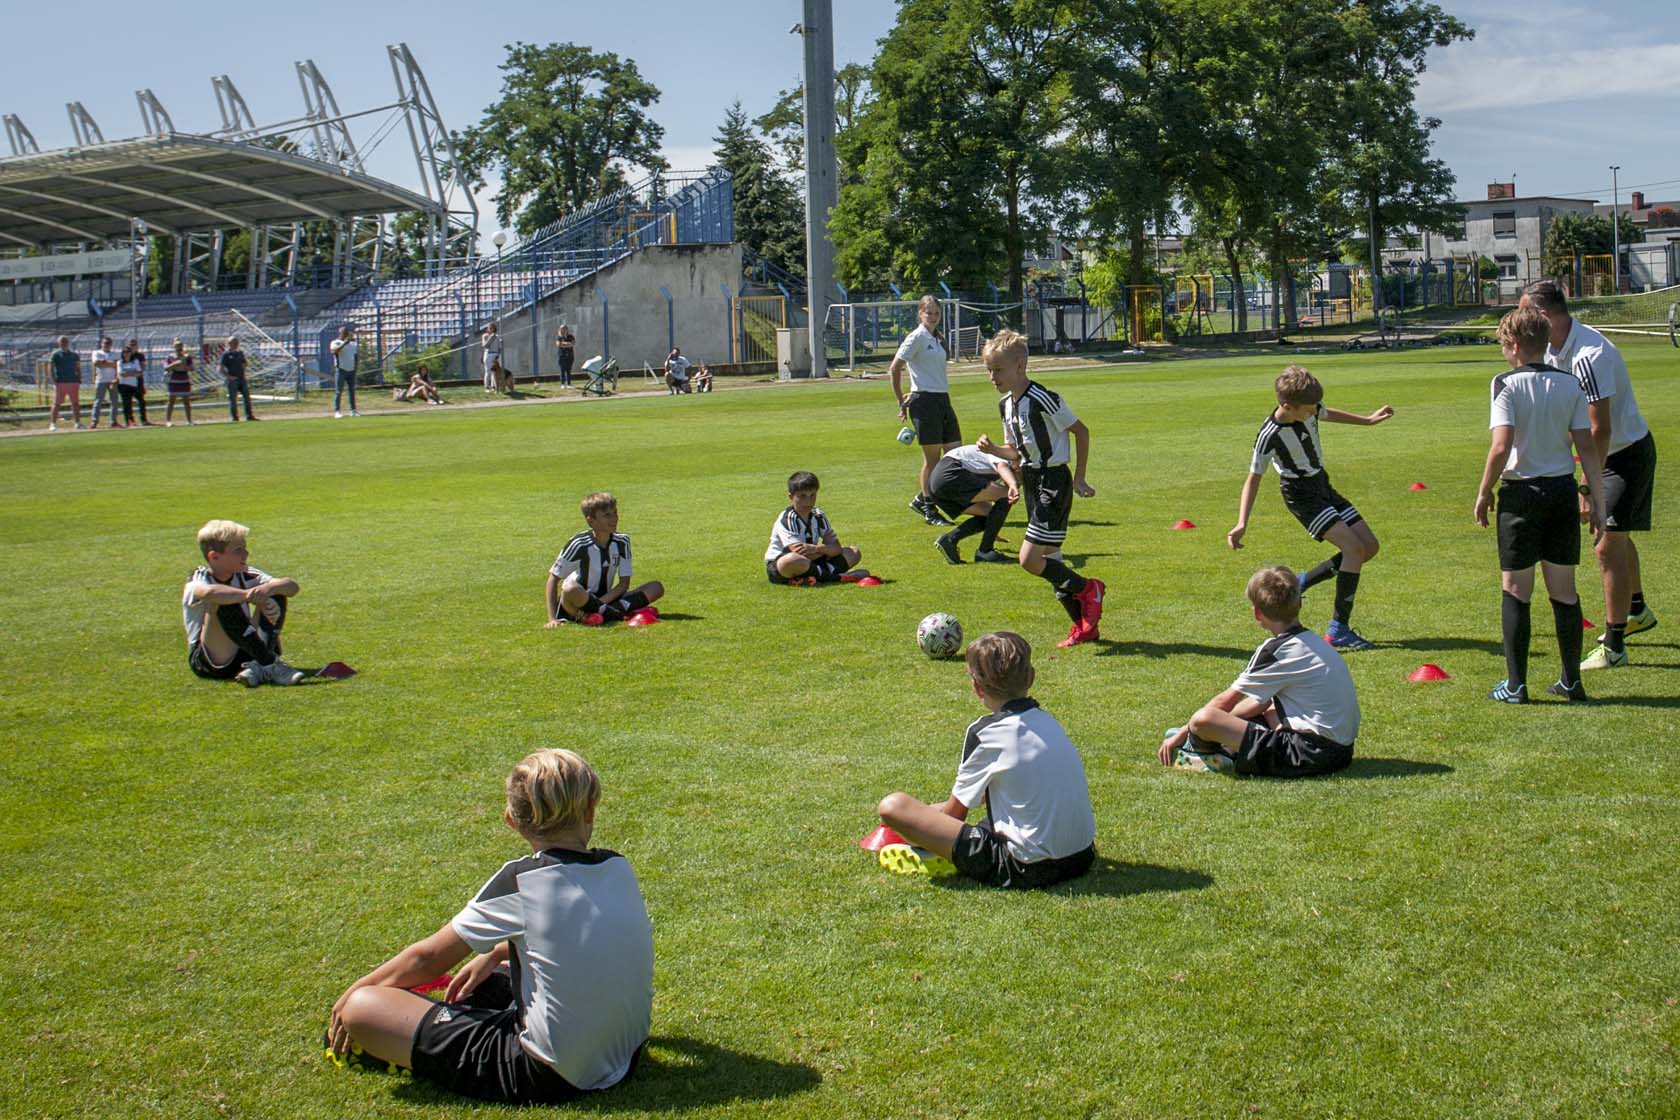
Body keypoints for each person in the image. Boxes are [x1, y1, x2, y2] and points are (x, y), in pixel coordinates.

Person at [326, 749, 653, 1105]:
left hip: (547, 1073)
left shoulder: (523, 880)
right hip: (624, 1053)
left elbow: (427, 959)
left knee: (364, 1007)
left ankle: (399, 1043)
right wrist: (496, 953)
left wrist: (349, 997)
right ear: (590, 809)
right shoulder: (617, 866)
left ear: (512, 820)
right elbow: (581, 939)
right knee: (494, 973)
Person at [875, 630, 1096, 888]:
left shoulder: (986, 733)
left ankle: (931, 852)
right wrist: (927, 814)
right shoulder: (1048, 721)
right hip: (1082, 857)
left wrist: (913, 827)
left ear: (977, 688)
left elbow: (954, 816)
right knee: (971, 820)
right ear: (1031, 678)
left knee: (892, 806)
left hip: (1025, 867)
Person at [1519, 279, 1659, 671]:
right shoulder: (1553, 348)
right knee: (1617, 535)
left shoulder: (1589, 355)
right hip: (1609, 452)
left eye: (1524, 312)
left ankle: (1614, 647)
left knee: (1605, 545)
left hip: (1624, 455)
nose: (1519, 319)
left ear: (1543, 315)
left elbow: (1600, 429)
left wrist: (1586, 486)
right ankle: (1636, 610)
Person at [1475, 305, 1605, 704]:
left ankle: (1516, 685)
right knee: (1564, 591)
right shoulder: (1570, 383)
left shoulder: (1504, 384)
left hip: (1522, 495)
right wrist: (1597, 499)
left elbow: (1501, 446)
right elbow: (1587, 447)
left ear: (1514, 346)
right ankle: (1571, 681)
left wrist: (1484, 491)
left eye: (1503, 346)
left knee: (1516, 589)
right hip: (1562, 492)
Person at [1227, 366, 1392, 651]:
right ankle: (1338, 629)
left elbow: (1328, 413)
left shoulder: (1309, 408)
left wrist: (1367, 421)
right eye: (1308, 411)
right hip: (1301, 495)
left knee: (1369, 547)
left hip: (1322, 484)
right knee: (1354, 549)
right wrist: (1242, 522)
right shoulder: (1270, 435)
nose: (1314, 414)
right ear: (1287, 406)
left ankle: (1302, 582)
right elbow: (1253, 479)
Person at [1157, 565, 1360, 777]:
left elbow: (1225, 702)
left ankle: (1204, 752)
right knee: (1267, 707)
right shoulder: (1314, 643)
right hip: (1341, 752)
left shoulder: (1277, 651)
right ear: (1299, 603)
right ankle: (1222, 746)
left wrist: (1187, 731)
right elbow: (1259, 703)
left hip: (1307, 754)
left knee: (1203, 719)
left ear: (1257, 613)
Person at [974, 328, 1106, 648]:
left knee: (1029, 559)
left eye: (998, 370)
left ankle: (1089, 588)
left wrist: (1079, 478)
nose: (992, 377)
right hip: (1033, 482)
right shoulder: (1006, 405)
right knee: (1051, 558)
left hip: (1054, 481)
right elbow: (1015, 451)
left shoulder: (1043, 398)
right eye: (989, 370)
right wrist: (994, 451)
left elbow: (1081, 431)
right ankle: (1083, 626)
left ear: (1020, 365)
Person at [181, 519, 303, 687]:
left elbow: (292, 586)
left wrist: (266, 591)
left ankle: (258, 666)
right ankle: (269, 663)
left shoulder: (244, 573)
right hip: (212, 660)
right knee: (221, 599)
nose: (246, 554)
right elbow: (209, 593)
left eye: (245, 548)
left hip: (246, 649)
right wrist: (248, 595)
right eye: (238, 550)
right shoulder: (199, 577)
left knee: (276, 591)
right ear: (214, 556)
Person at [891, 294, 962, 526]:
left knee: (954, 454)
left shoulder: (937, 338)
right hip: (924, 402)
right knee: (932, 460)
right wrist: (901, 399)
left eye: (936, 313)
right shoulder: (917, 337)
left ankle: (922, 499)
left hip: (942, 399)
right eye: (928, 312)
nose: (932, 316)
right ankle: (930, 510)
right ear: (920, 313)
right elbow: (895, 368)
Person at [545, 492, 665, 627]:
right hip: (579, 600)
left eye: (615, 513)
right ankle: (603, 613)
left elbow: (624, 584)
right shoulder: (579, 544)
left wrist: (600, 604)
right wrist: (552, 619)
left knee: (656, 587)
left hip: (608, 599)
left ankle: (598, 615)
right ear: (591, 521)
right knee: (570, 588)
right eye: (607, 515)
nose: (614, 518)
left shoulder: (622, 541)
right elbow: (553, 579)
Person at [765, 470, 864, 585]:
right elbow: (799, 553)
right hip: (782, 566)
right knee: (791, 560)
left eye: (812, 495)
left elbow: (836, 548)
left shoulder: (818, 515)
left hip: (811, 562)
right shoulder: (788, 518)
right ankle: (834, 577)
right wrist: (825, 550)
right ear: (791, 497)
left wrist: (816, 548)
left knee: (854, 552)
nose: (808, 501)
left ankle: (810, 578)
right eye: (802, 496)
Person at [928, 442, 1020, 564]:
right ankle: (985, 551)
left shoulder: (996, 459)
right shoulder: (1001, 454)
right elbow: (1002, 466)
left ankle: (949, 540)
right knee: (1005, 496)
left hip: (937, 484)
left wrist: (992, 528)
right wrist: (1013, 484)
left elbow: (994, 512)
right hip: (950, 474)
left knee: (989, 514)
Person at [47, 335, 83, 431]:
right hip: (60, 382)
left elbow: (78, 367)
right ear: (59, 343)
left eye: (65, 341)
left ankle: (77, 423)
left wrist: (79, 379)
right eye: (62, 342)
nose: (64, 343)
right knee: (57, 404)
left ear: (68, 342)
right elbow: (50, 368)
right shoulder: (55, 354)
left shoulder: (74, 355)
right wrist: (54, 380)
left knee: (75, 403)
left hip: (73, 382)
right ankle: (53, 424)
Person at [221, 335, 257, 422]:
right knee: (233, 399)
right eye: (233, 342)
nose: (236, 344)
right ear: (229, 344)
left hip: (242, 378)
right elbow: (220, 368)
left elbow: (245, 363)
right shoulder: (226, 354)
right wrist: (229, 377)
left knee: (247, 397)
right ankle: (235, 417)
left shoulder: (240, 353)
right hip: (232, 380)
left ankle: (249, 416)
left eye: (237, 342)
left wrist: (243, 372)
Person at [90, 336, 121, 428]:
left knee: (114, 401)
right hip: (101, 380)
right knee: (98, 401)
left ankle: (113, 421)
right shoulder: (97, 353)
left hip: (112, 380)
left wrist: (104, 363)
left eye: (109, 343)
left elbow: (117, 365)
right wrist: (111, 364)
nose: (107, 345)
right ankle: (94, 422)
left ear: (111, 344)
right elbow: (97, 363)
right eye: (105, 343)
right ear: (101, 344)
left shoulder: (115, 354)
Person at [118, 338, 150, 427]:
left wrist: (130, 373)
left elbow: (141, 369)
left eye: (134, 345)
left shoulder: (139, 356)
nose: (133, 347)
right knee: (127, 402)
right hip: (125, 383)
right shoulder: (121, 360)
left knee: (141, 401)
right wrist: (133, 373)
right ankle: (130, 420)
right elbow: (121, 373)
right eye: (131, 345)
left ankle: (143, 419)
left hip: (138, 381)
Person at [330, 325, 360, 418]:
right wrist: (344, 343)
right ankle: (337, 411)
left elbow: (355, 356)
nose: (346, 334)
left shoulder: (353, 344)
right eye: (344, 332)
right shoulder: (335, 342)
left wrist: (356, 367)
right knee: (339, 391)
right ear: (340, 333)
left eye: (346, 332)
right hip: (341, 369)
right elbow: (334, 351)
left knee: (351, 391)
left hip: (351, 370)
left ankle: (353, 410)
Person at [163, 338, 194, 427]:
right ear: (174, 347)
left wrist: (184, 366)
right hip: (173, 380)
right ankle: (168, 421)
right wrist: (175, 364)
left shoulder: (187, 357)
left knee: (186, 401)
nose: (179, 348)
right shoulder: (170, 357)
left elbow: (192, 368)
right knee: (171, 401)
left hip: (184, 380)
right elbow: (166, 368)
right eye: (177, 346)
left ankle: (189, 420)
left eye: (180, 346)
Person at [483, 322, 505, 393]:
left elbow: (500, 347)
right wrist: (491, 338)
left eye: (492, 328)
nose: (490, 329)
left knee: (495, 372)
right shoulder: (485, 336)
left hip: (495, 355)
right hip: (488, 354)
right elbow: (485, 346)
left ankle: (493, 386)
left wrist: (498, 355)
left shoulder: (497, 336)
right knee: (488, 371)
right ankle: (487, 387)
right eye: (489, 328)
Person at [555, 322, 575, 387]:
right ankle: (562, 384)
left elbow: (572, 344)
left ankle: (569, 384)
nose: (563, 330)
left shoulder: (571, 336)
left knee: (569, 370)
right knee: (562, 370)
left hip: (570, 356)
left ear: (567, 329)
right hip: (562, 356)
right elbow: (558, 345)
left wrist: (563, 344)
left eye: (564, 328)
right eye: (562, 329)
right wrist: (567, 344)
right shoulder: (559, 337)